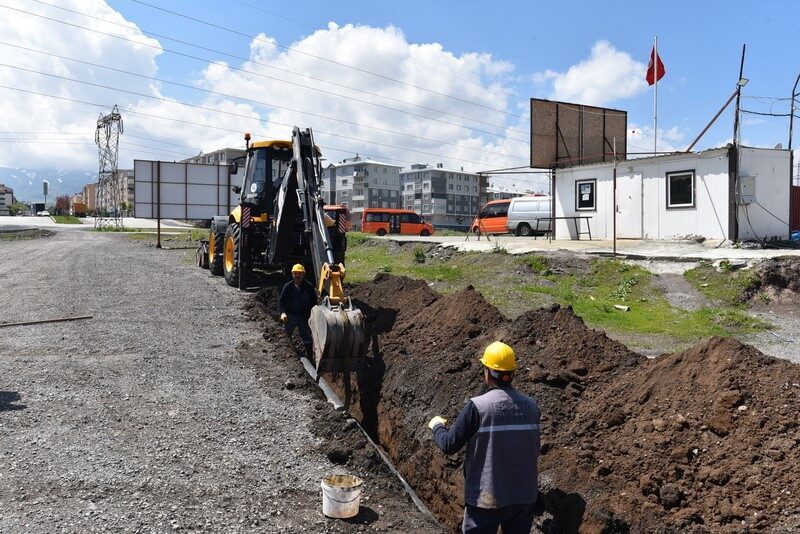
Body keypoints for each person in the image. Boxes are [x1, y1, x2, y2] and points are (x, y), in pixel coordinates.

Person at [428, 341, 541, 534]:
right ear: (511, 373)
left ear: (487, 372)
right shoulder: (532, 406)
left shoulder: (478, 407)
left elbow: (449, 445)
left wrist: (436, 426)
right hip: (524, 497)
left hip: (487, 498)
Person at [278, 264, 317, 357]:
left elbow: (314, 303)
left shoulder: (309, 287)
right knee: (286, 337)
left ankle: (310, 357)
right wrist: (282, 312)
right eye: (295, 273)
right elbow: (281, 301)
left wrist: (312, 316)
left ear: (303, 274)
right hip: (290, 317)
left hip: (304, 317)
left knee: (307, 338)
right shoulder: (288, 287)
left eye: (300, 274)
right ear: (292, 274)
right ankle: (288, 356)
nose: (297, 276)